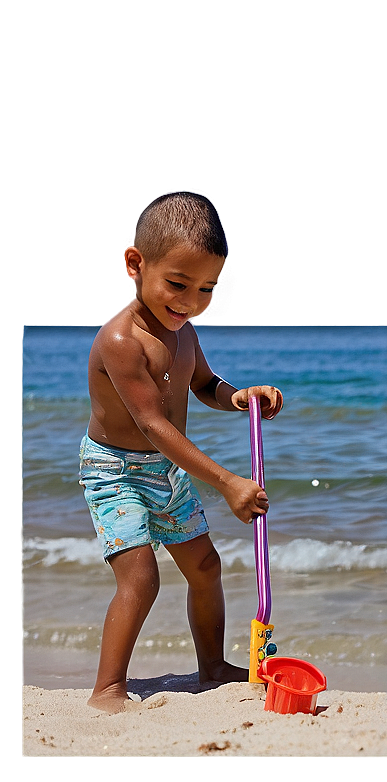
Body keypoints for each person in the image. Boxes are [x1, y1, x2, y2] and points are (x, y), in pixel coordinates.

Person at [79, 192, 283, 713]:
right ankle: (107, 688)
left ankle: (212, 666)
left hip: (165, 471)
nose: (189, 301)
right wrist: (228, 482)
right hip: (115, 471)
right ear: (135, 264)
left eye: (207, 288)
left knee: (205, 566)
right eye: (177, 283)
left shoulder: (184, 331)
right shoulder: (122, 341)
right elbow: (152, 424)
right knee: (141, 576)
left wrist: (237, 396)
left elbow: (203, 384)